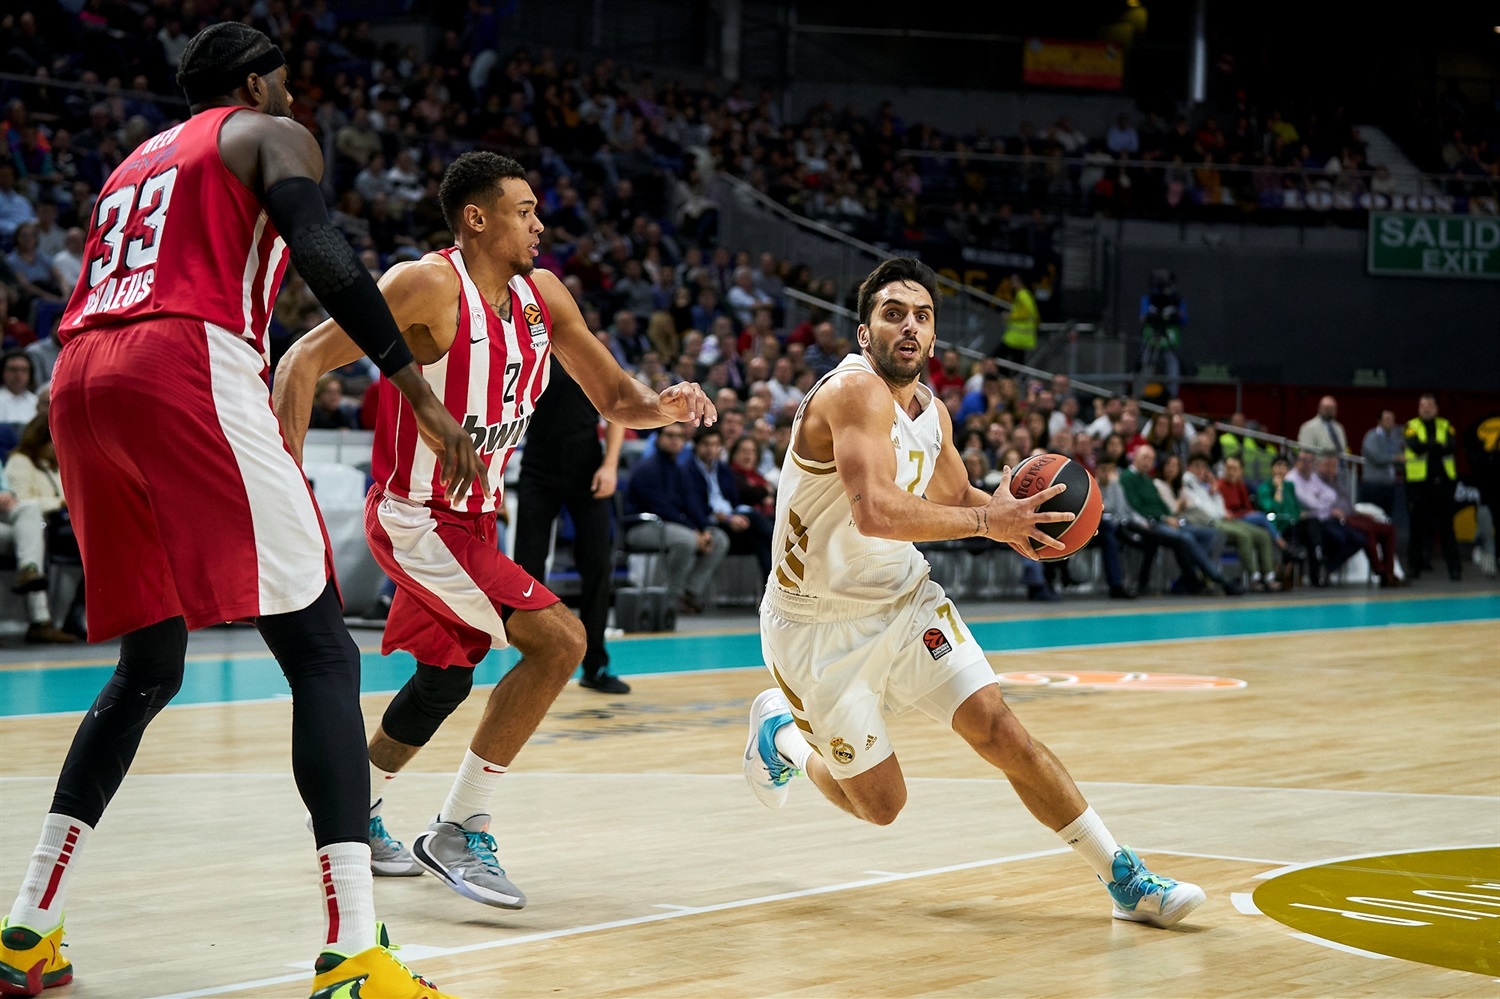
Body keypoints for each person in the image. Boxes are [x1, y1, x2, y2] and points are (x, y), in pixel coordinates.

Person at [1, 24, 485, 999]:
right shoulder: (267, 133)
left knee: (148, 666)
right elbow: (327, 252)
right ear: (257, 81)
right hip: (184, 358)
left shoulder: (133, 165)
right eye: (287, 86)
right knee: (319, 651)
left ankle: (26, 930)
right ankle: (354, 951)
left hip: (80, 379)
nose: (296, 103)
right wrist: (418, 393)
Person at [274, 151, 716, 914]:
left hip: (474, 520)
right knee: (563, 641)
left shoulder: (543, 296)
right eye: (524, 210)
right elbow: (302, 360)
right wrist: (286, 494)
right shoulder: (425, 284)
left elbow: (615, 395)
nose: (540, 224)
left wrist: (666, 405)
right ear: (476, 219)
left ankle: (353, 813)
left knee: (445, 679)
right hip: (416, 518)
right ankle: (459, 826)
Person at [743, 257, 1205, 931]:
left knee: (1001, 729)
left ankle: (1123, 878)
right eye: (893, 312)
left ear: (934, 338)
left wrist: (1025, 525)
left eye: (923, 316)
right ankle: (781, 735)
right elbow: (875, 510)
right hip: (816, 628)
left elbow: (957, 495)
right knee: (880, 804)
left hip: (903, 600)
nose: (909, 325)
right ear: (865, 332)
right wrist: (994, 521)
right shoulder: (853, 393)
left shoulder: (930, 411)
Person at [512, 358, 631, 695]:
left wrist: (610, 466)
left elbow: (616, 407)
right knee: (527, 567)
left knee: (597, 565)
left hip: (587, 464)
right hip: (538, 463)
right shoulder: (524, 351)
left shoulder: (586, 350)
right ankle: (532, 660)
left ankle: (595, 666)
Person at [624, 420, 730, 614]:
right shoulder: (646, 468)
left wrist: (704, 529)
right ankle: (671, 597)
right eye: (670, 435)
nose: (675, 441)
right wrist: (693, 530)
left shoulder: (679, 469)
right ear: (659, 438)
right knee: (686, 540)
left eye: (680, 436)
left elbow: (692, 504)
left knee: (719, 539)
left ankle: (689, 593)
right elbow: (661, 508)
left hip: (672, 525)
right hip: (642, 527)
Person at [1182, 455, 1280, 591]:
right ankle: (1254, 578)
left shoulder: (1206, 485)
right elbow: (1204, 510)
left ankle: (1269, 576)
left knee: (1263, 534)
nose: (1201, 470)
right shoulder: (1188, 482)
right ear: (1189, 467)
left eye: (1203, 466)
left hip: (1223, 518)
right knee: (1244, 535)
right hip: (1212, 522)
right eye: (1196, 466)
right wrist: (1217, 501)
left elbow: (1219, 507)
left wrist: (1214, 493)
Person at [1315, 452, 1403, 588]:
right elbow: (1317, 505)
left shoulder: (1338, 483)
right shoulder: (1316, 483)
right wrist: (1332, 512)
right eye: (1328, 465)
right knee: (1368, 531)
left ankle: (1389, 571)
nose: (1331, 469)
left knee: (1388, 528)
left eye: (1334, 465)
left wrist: (1361, 513)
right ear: (1319, 466)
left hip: (1352, 516)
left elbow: (1349, 506)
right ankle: (1380, 571)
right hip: (1338, 520)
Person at [1404, 393, 1461, 581]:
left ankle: (1454, 568)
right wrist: (1437, 445)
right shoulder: (1411, 426)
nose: (1425, 408)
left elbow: (1451, 446)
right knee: (1417, 527)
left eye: (1429, 405)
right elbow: (1415, 446)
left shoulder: (1446, 425)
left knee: (1447, 527)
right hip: (1419, 484)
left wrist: (1429, 445)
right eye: (1422, 405)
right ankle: (1414, 568)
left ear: (1436, 408)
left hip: (1443, 484)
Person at [1287, 449, 1365, 586]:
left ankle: (1328, 566)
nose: (1306, 464)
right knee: (1336, 538)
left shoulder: (1312, 477)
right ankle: (1319, 571)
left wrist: (1320, 501)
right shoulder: (1292, 479)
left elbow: (1330, 495)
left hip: (1324, 519)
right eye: (1303, 460)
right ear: (1297, 461)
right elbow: (1309, 503)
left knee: (1358, 538)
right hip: (1302, 524)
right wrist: (1322, 502)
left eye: (1309, 461)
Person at [1136, 269, 1183, 398]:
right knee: (1147, 362)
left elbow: (1183, 319)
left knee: (1172, 363)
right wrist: (1153, 316)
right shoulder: (1149, 298)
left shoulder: (1176, 300)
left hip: (1168, 338)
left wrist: (1171, 316)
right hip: (1151, 337)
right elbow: (1143, 318)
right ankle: (1140, 396)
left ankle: (1173, 396)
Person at [1358, 409, 1403, 518]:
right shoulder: (1371, 436)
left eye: (1392, 419)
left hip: (1389, 486)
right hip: (1374, 486)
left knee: (1387, 517)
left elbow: (1399, 458)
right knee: (1374, 518)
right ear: (1379, 421)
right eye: (1387, 419)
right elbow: (1377, 457)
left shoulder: (1393, 439)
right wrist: (1396, 458)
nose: (1391, 422)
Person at [997, 271, 1038, 367]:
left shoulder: (1022, 295)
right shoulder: (1026, 294)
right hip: (1020, 337)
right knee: (1018, 361)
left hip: (1016, 336)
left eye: (1014, 280)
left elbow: (1025, 313)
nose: (1011, 282)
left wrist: (1009, 316)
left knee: (1001, 356)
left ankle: (1006, 378)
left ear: (1020, 281)